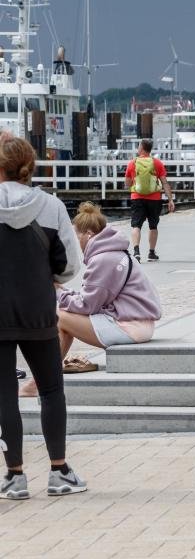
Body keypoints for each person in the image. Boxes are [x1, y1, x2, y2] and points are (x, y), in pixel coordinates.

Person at [0, 135, 86, 499]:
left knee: (4, 393)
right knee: (51, 389)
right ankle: (59, 471)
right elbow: (69, 265)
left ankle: (14, 476)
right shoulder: (51, 206)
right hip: (38, 309)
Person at [56, 202, 162, 366]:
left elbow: (87, 305)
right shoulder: (116, 252)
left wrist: (58, 293)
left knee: (59, 317)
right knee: (65, 315)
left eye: (78, 237)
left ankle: (46, 375)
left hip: (129, 327)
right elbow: (96, 297)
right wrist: (65, 293)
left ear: (88, 234)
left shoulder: (103, 259)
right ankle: (49, 372)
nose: (79, 242)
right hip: (140, 323)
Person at [124, 138, 175, 262]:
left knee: (136, 226)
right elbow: (164, 183)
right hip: (154, 198)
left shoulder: (132, 163)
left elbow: (127, 184)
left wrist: (134, 185)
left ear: (141, 148)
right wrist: (170, 199)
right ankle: (151, 253)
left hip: (137, 198)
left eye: (138, 146)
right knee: (153, 226)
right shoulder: (157, 163)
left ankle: (136, 252)